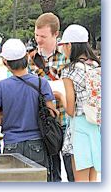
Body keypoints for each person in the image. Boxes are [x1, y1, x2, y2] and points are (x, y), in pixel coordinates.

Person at [0, 39, 58, 181]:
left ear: (5, 62)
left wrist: (8, 119)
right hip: (37, 143)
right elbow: (52, 112)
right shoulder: (41, 83)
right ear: (26, 57)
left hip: (11, 145)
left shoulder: (1, 86)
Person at [34, 12, 74, 182]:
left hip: (65, 121)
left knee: (72, 172)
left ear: (56, 34)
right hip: (44, 124)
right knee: (51, 174)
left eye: (43, 36)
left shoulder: (67, 57)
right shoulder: (30, 59)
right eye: (36, 35)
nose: (38, 40)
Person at [58, 24, 101, 182]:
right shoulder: (96, 66)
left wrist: (59, 97)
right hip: (96, 126)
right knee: (93, 179)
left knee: (81, 182)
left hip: (80, 129)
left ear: (70, 45)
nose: (63, 49)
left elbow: (70, 110)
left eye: (63, 45)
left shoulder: (69, 70)